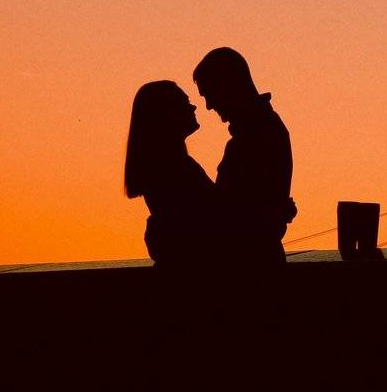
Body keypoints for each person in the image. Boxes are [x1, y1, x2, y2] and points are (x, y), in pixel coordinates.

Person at [193, 48, 296, 264]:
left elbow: (234, 214)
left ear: (227, 85)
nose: (209, 106)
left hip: (250, 264)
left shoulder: (258, 135)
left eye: (209, 93)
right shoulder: (261, 131)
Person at [124, 80, 219, 267]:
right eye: (184, 103)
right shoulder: (174, 169)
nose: (193, 107)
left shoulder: (166, 167)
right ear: (166, 114)